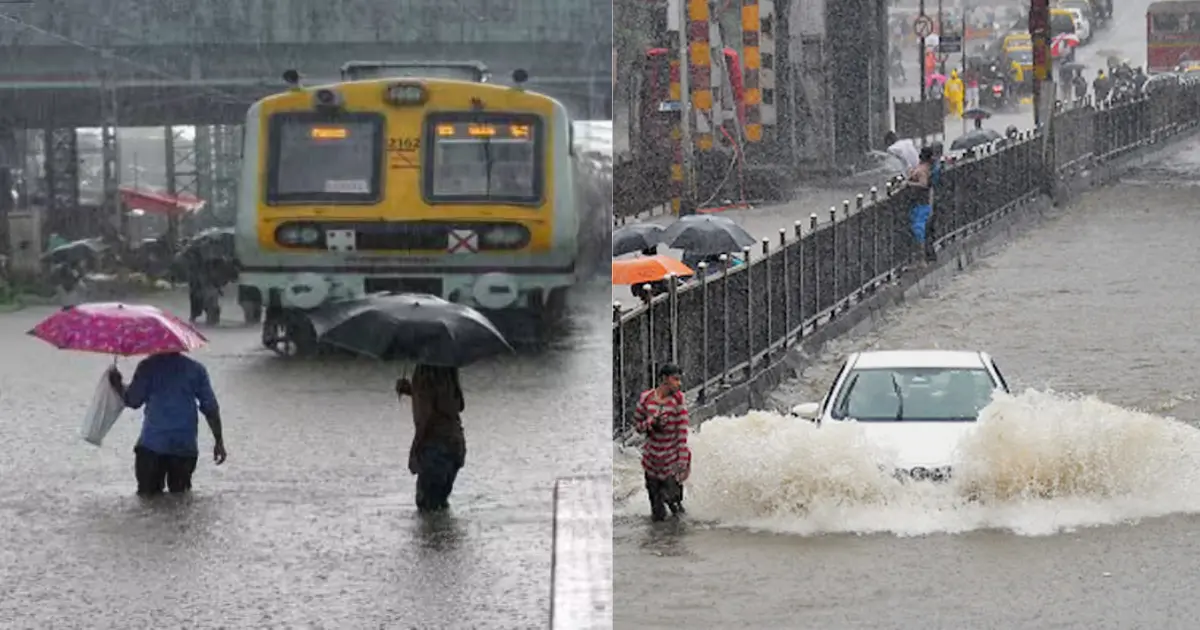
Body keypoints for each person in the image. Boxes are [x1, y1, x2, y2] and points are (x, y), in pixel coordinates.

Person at [108, 353, 227, 496]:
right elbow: (211, 408)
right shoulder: (196, 369)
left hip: (152, 445)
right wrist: (218, 441)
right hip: (184, 446)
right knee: (180, 501)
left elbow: (133, 400)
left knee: (147, 501)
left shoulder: (147, 367)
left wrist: (118, 385)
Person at [397, 364, 466, 512]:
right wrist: (414, 391)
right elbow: (458, 405)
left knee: (426, 508)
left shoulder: (424, 371)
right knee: (440, 508)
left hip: (434, 449)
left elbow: (426, 418)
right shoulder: (449, 368)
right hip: (455, 445)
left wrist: (415, 450)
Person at [634, 363, 691, 522]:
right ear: (665, 379)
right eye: (675, 379)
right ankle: (658, 543)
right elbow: (638, 427)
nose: (679, 384)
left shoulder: (679, 400)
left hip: (671, 462)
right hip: (652, 462)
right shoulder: (646, 398)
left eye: (680, 380)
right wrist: (651, 423)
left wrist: (682, 460)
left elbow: (682, 432)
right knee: (657, 512)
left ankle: (677, 542)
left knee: (675, 507)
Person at [905, 147, 936, 267]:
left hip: (921, 204)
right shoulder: (925, 168)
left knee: (919, 230)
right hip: (920, 203)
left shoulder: (922, 170)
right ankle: (921, 257)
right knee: (920, 230)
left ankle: (921, 259)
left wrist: (909, 183)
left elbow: (923, 184)